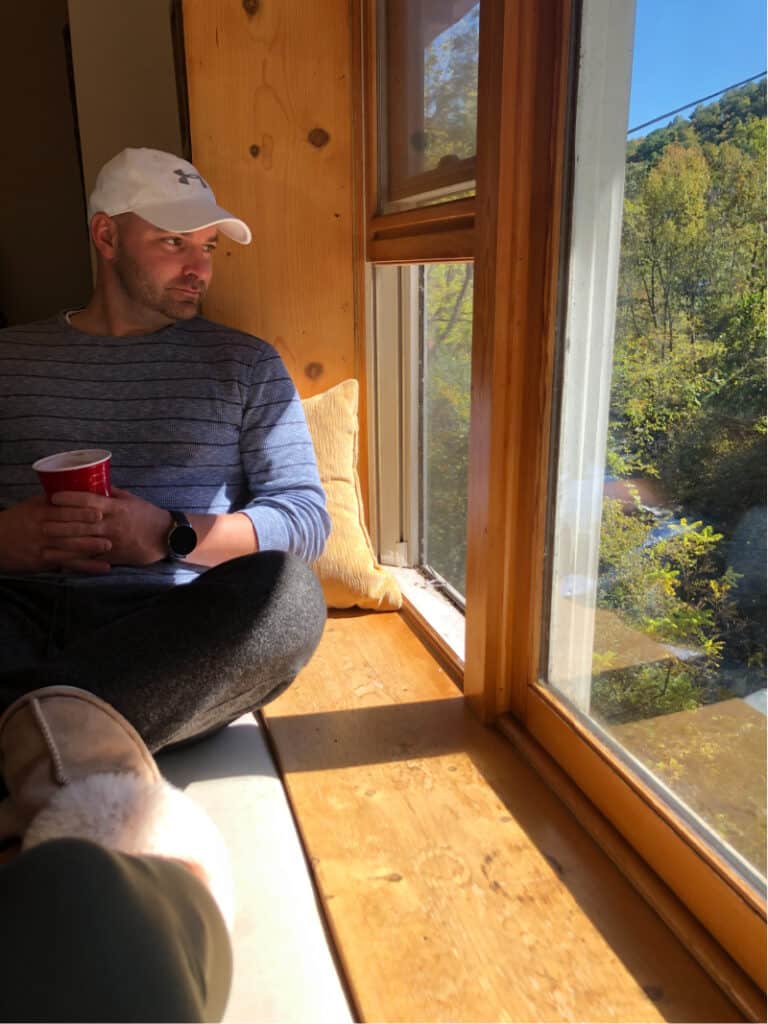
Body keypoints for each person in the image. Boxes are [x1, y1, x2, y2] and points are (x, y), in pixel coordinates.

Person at [0, 147, 332, 1020]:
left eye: (211, 247)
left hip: (168, 621)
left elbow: (305, 517)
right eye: (175, 243)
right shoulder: (10, 360)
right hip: (14, 605)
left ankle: (17, 730)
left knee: (289, 598)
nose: (200, 266)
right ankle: (54, 740)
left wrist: (173, 534)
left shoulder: (245, 364)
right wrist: (5, 538)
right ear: (106, 237)